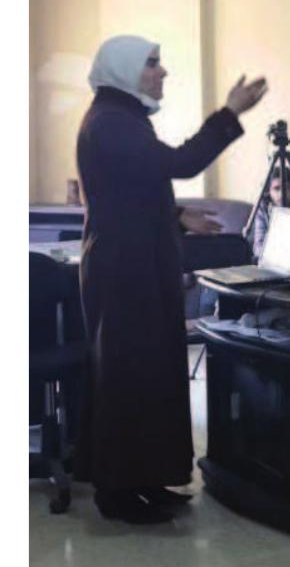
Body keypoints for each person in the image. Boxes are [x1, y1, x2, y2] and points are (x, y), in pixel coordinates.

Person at [76, 35, 267, 523]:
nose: (163, 73)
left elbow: (131, 186)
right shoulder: (112, 123)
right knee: (130, 379)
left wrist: (178, 214)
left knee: (154, 375)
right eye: (152, 64)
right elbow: (179, 163)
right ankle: (117, 493)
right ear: (122, 70)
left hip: (137, 265)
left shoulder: (121, 118)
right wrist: (229, 113)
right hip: (125, 273)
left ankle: (148, 478)